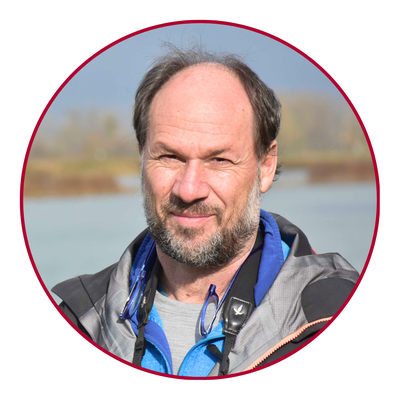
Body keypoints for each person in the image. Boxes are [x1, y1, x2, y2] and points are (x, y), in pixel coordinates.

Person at [52, 47, 359, 377]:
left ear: (266, 166)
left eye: (219, 160)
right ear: (141, 159)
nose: (189, 189)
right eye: (169, 157)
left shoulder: (336, 314)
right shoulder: (78, 319)